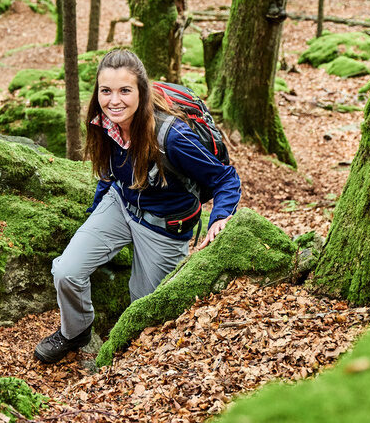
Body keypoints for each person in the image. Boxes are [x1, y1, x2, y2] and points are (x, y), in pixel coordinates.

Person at [34, 49, 241, 364]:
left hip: (165, 228)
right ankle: (75, 331)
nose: (114, 100)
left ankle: (125, 362)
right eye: (106, 91)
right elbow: (110, 173)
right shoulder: (104, 123)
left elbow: (226, 178)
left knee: (142, 313)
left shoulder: (172, 137)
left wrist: (221, 218)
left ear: (141, 93)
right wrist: (94, 219)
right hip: (120, 205)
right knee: (66, 271)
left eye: (124, 91)